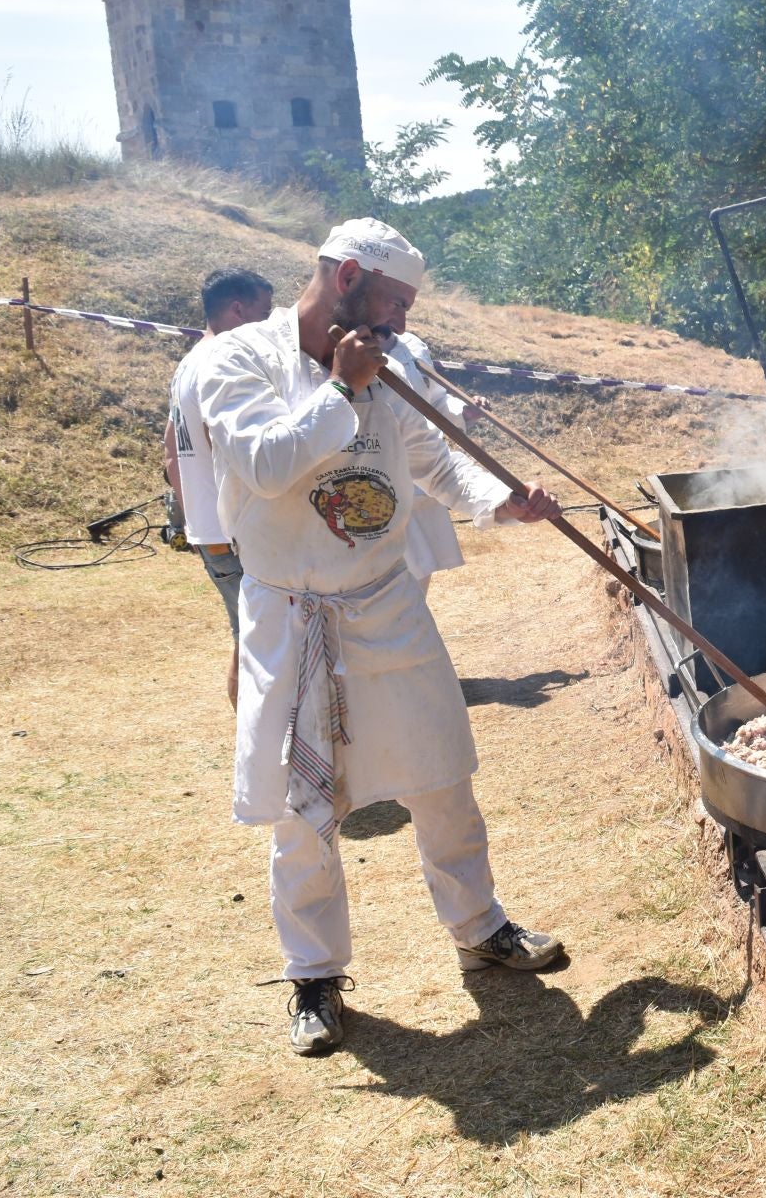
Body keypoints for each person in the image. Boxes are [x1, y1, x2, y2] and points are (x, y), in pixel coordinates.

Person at [195, 218, 568, 1057]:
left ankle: (480, 927)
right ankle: (315, 976)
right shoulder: (235, 360)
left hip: (384, 600)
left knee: (443, 772)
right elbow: (261, 465)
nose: (399, 321)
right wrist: (338, 389)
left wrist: (498, 500)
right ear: (348, 274)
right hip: (293, 618)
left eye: (404, 308)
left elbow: (437, 459)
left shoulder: (389, 363)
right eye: (392, 302)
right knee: (304, 810)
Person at [164, 267, 275, 707]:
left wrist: (195, 517)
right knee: (259, 639)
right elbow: (231, 446)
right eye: (263, 313)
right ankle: (258, 744)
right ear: (237, 309)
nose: (268, 324)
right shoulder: (221, 361)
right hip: (236, 531)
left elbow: (171, 447)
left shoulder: (190, 361)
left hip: (213, 530)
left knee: (246, 634)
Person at [386, 330, 489, 591]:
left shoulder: (411, 346)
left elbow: (434, 400)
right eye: (394, 304)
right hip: (375, 480)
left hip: (420, 482)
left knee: (417, 582)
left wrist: (462, 410)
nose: (400, 320)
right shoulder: (343, 347)